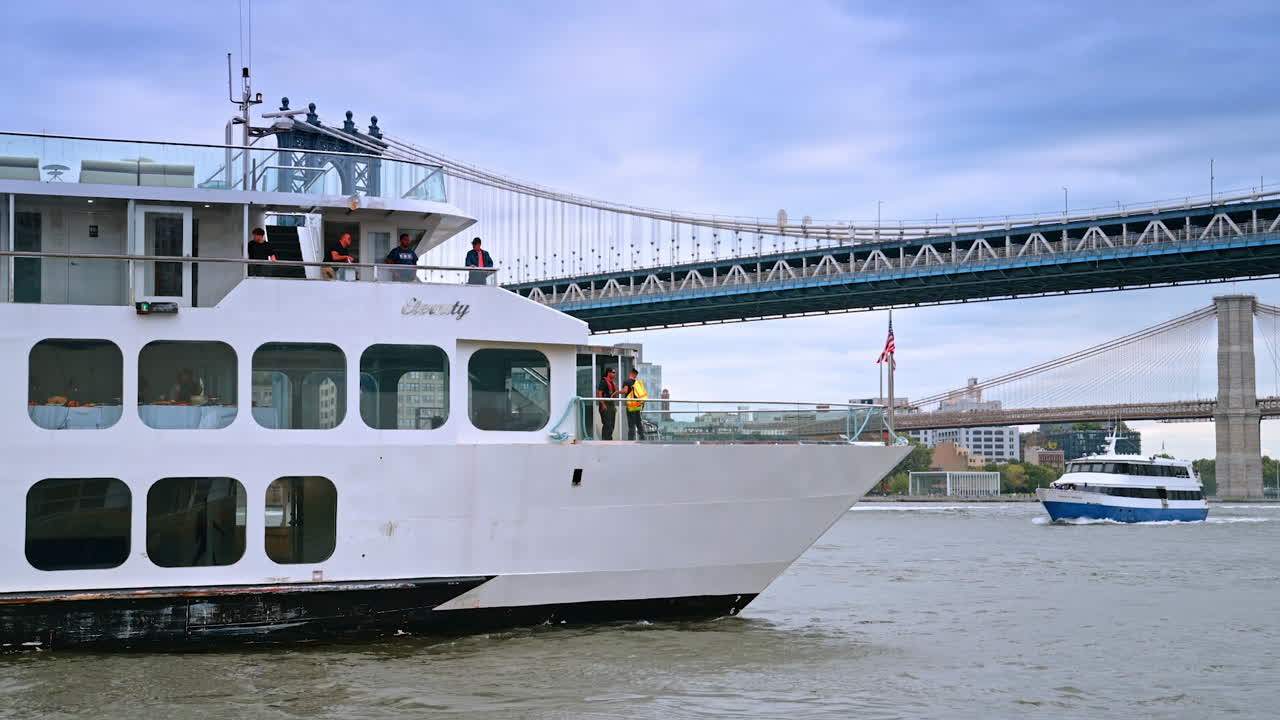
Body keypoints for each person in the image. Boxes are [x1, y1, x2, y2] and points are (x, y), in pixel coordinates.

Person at [620, 368, 648, 440]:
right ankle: (642, 438)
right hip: (638, 405)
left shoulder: (627, 381)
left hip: (631, 406)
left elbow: (625, 391)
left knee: (631, 425)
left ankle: (630, 441)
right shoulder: (638, 383)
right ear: (636, 375)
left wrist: (616, 392)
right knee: (638, 423)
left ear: (631, 374)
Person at [596, 366, 618, 440]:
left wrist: (614, 407)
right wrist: (603, 404)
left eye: (615, 372)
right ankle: (605, 440)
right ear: (609, 373)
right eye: (613, 372)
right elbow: (599, 393)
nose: (615, 374)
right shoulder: (603, 382)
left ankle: (609, 440)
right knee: (607, 424)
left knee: (612, 425)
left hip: (611, 405)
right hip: (605, 405)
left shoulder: (612, 383)